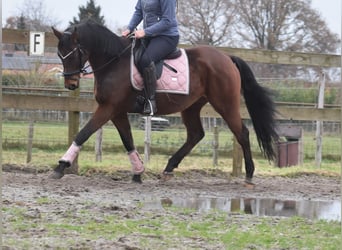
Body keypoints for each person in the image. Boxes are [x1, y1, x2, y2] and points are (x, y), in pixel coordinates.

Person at [122, 0, 179, 116]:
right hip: (149, 36)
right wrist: (129, 28)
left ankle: (150, 101)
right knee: (133, 57)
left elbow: (167, 21)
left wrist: (145, 32)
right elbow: (139, 12)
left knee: (145, 60)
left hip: (167, 37)